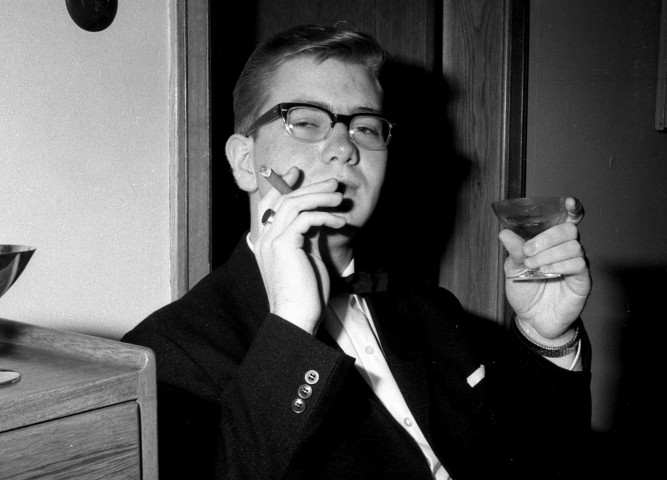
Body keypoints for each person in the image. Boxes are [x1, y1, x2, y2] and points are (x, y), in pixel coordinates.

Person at [123, 24, 593, 479]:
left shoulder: (431, 310)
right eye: (306, 121)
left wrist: (545, 337)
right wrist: (291, 327)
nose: (344, 148)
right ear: (246, 163)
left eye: (365, 127)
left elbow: (537, 462)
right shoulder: (164, 354)